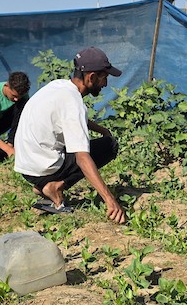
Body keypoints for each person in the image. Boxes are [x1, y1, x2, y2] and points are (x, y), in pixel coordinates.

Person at [13, 47, 127, 224]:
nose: (105, 84)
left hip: (26, 166)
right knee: (108, 146)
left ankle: (41, 185)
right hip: (43, 167)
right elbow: (82, 158)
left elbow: (74, 119)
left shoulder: (59, 86)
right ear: (92, 77)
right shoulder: (74, 103)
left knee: (98, 140)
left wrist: (101, 130)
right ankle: (54, 186)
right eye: (105, 78)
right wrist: (110, 200)